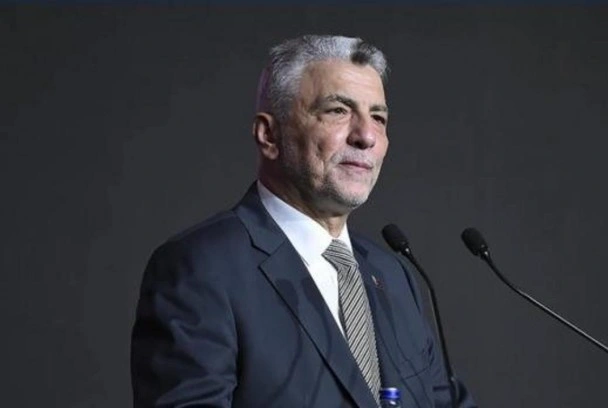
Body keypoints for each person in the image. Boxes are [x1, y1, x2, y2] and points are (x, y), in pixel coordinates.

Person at [131, 34, 477, 408]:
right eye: (338, 111)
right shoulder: (202, 267)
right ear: (269, 135)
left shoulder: (393, 275)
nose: (366, 136)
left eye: (378, 117)